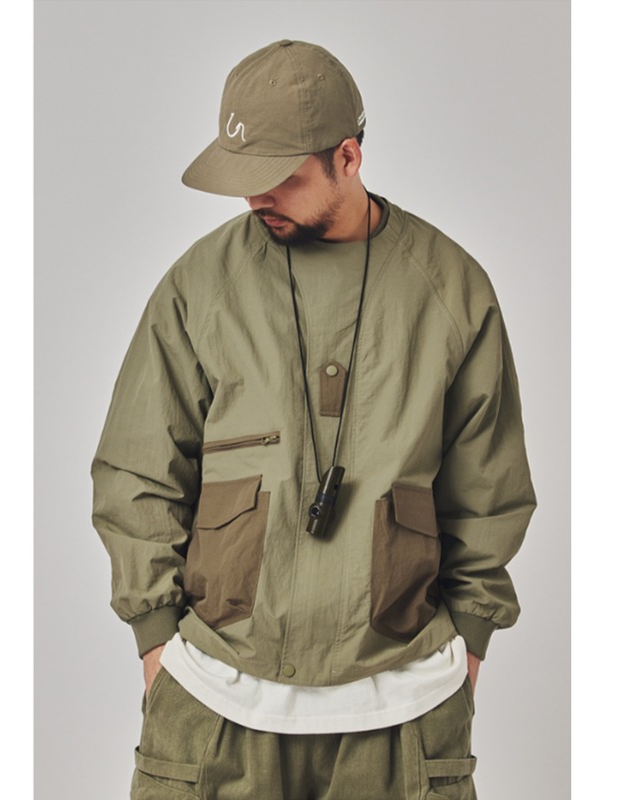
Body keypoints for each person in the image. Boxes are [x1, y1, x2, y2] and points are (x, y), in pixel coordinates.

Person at [92, 39, 536, 800]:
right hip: (214, 696)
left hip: (404, 705)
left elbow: (489, 488)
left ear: (348, 158)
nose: (254, 199)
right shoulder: (200, 285)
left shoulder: (452, 290)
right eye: (243, 178)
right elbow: (136, 468)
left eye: (279, 177)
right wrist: (156, 638)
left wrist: (469, 642)